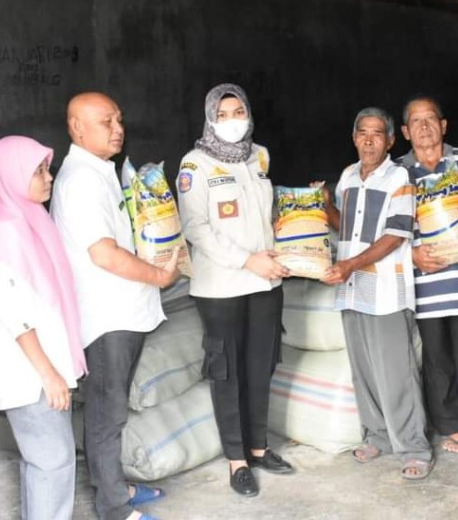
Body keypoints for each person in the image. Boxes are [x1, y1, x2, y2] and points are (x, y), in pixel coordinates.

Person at [50, 92, 178, 520]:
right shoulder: (82, 181)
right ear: (77, 128)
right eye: (106, 122)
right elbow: (103, 254)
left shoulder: (101, 171)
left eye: (119, 120)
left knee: (112, 409)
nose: (118, 129)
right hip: (107, 317)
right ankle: (114, 507)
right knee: (108, 414)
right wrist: (159, 276)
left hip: (123, 311)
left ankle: (114, 486)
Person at [177, 83, 293, 498]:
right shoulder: (194, 164)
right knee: (227, 371)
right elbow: (196, 228)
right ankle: (237, 460)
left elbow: (267, 215)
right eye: (222, 115)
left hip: (265, 280)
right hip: (221, 286)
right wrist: (247, 260)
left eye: (238, 112)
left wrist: (290, 236)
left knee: (261, 365)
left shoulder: (259, 155)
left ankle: (258, 448)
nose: (231, 121)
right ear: (210, 119)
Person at [0, 135, 88, 519]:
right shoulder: (2, 230)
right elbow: (14, 314)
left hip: (44, 367)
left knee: (46, 461)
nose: (49, 177)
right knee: (53, 462)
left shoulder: (30, 221)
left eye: (47, 168)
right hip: (31, 372)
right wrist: (49, 374)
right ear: (11, 174)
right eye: (38, 170)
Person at [321, 107, 433, 481]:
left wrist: (350, 265)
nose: (369, 140)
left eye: (377, 134)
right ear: (354, 138)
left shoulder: (399, 177)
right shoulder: (348, 177)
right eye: (362, 133)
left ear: (390, 141)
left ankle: (414, 448)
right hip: (353, 290)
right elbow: (346, 226)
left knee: (396, 373)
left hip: (387, 289)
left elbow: (396, 235)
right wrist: (326, 207)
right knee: (364, 370)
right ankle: (377, 436)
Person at [397, 96, 458, 455]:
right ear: (405, 131)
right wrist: (411, 254)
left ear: (443, 125)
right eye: (416, 121)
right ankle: (449, 425)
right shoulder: (398, 172)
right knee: (437, 357)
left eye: (431, 119)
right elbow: (389, 227)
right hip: (426, 280)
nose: (424, 126)